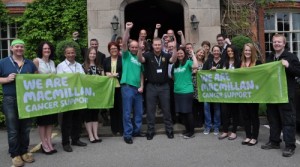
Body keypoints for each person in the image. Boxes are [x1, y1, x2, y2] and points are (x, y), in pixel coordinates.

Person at [261, 34, 300, 157]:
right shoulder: (270, 57)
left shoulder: (291, 57)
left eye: (279, 42)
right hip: (272, 94)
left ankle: (289, 146)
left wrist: (288, 66)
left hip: (286, 94)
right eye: (274, 42)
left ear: (284, 43)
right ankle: (274, 141)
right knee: (273, 119)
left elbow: (298, 72)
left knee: (288, 120)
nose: (276, 44)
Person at [0, 39, 37, 167]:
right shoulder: (3, 62)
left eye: (21, 47)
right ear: (11, 48)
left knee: (25, 128)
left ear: (24, 49)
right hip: (10, 99)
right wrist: (6, 79)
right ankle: (15, 154)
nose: (19, 49)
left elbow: (38, 79)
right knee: (13, 129)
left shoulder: (30, 64)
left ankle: (24, 151)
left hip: (27, 100)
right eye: (17, 47)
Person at [137, 36, 177, 140]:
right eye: (155, 45)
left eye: (159, 44)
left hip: (164, 86)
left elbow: (173, 59)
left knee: (166, 109)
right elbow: (140, 59)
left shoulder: (166, 55)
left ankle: (169, 130)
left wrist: (175, 49)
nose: (157, 46)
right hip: (151, 86)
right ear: (153, 45)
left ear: (162, 45)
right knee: (150, 110)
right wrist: (140, 49)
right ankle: (150, 130)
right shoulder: (147, 55)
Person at [56, 45, 87, 152]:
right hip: (67, 97)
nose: (71, 55)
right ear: (65, 54)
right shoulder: (60, 66)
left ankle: (75, 139)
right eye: (68, 53)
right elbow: (60, 80)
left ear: (75, 53)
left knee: (77, 120)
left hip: (78, 97)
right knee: (66, 121)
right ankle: (65, 143)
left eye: (72, 52)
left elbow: (83, 77)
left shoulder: (79, 65)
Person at [120, 22, 144, 144]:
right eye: (132, 47)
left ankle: (136, 131)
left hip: (137, 89)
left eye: (136, 47)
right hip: (127, 87)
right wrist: (127, 29)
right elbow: (124, 42)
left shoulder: (140, 58)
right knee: (128, 112)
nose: (134, 48)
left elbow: (141, 74)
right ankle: (128, 134)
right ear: (129, 47)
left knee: (139, 112)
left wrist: (142, 86)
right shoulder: (126, 56)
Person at [33, 41, 58, 154]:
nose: (47, 50)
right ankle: (43, 143)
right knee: (42, 121)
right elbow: (33, 78)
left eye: (48, 49)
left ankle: (49, 142)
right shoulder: (37, 61)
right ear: (41, 50)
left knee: (50, 121)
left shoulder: (52, 62)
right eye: (44, 49)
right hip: (41, 96)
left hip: (52, 95)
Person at [173, 47, 198, 138]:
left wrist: (193, 54)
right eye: (178, 53)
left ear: (185, 54)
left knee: (188, 112)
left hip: (187, 91)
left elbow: (195, 66)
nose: (179, 55)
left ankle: (191, 132)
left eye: (181, 53)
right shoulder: (175, 65)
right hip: (177, 91)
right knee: (182, 113)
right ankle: (187, 129)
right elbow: (173, 77)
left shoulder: (188, 62)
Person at [240, 43, 261, 146]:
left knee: (254, 116)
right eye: (245, 50)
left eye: (249, 50)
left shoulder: (258, 63)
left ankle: (254, 137)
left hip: (254, 94)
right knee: (245, 116)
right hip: (243, 94)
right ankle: (248, 136)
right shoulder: (240, 63)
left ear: (252, 52)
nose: (247, 52)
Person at [218, 45, 241, 140]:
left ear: (235, 52)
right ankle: (225, 131)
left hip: (235, 91)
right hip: (225, 92)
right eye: (228, 51)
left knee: (235, 112)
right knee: (224, 112)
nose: (230, 52)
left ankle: (234, 131)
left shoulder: (239, 62)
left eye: (231, 51)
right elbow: (220, 73)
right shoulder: (224, 62)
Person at [82, 47, 103, 143]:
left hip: (97, 94)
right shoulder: (83, 66)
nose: (92, 55)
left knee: (95, 115)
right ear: (87, 54)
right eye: (91, 53)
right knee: (88, 115)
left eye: (94, 54)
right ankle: (90, 136)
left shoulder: (99, 66)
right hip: (87, 95)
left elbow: (103, 79)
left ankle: (96, 135)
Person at [202, 45, 224, 135]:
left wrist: (218, 70)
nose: (216, 52)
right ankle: (207, 126)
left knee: (217, 108)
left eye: (217, 50)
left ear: (220, 52)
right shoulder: (208, 61)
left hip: (219, 89)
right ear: (212, 52)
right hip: (208, 89)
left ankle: (216, 127)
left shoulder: (223, 61)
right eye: (214, 51)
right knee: (206, 108)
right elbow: (203, 72)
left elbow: (227, 73)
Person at [103, 42, 123, 136]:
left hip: (120, 86)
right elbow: (104, 71)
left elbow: (124, 71)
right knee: (112, 108)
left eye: (115, 48)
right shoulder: (106, 60)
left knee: (121, 108)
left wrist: (117, 74)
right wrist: (106, 74)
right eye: (111, 49)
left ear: (118, 49)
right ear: (109, 50)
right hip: (110, 87)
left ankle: (121, 128)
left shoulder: (122, 59)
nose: (113, 50)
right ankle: (114, 129)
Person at [192, 48, 205, 128]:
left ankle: (200, 122)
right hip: (193, 86)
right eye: (200, 52)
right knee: (194, 106)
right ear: (196, 53)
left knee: (201, 106)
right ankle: (195, 121)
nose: (201, 54)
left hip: (202, 87)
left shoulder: (205, 63)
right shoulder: (192, 62)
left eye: (203, 53)